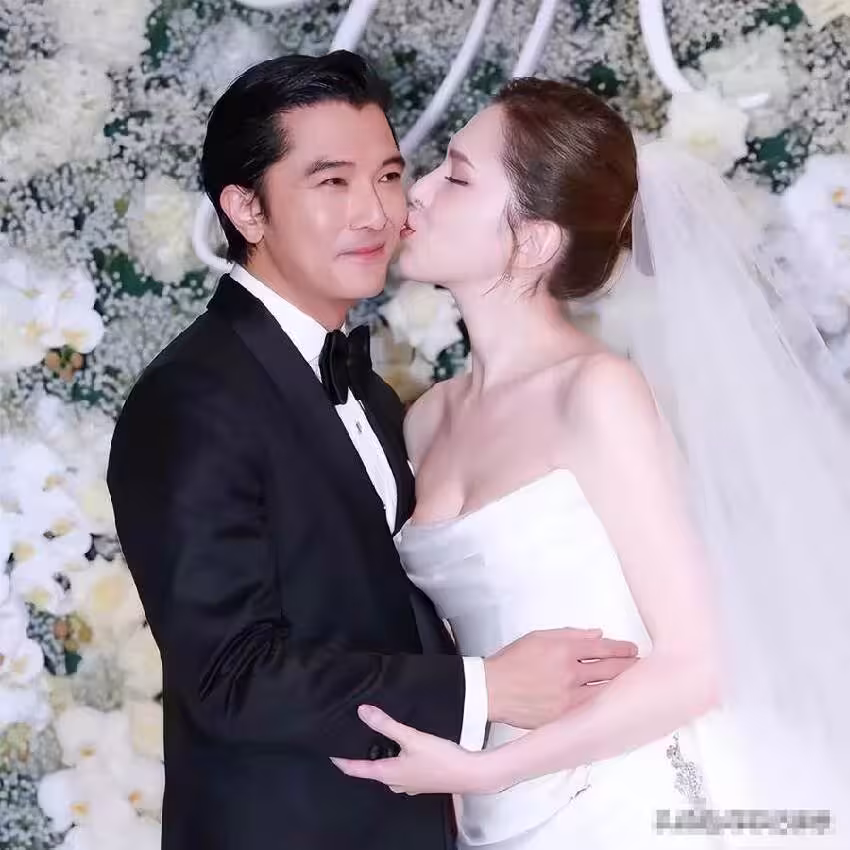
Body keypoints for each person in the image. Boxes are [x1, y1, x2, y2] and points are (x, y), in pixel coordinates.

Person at [106, 55, 639, 850]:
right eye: (332, 182)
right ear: (247, 209)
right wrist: (486, 690)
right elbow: (229, 674)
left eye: (389, 176)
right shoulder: (192, 398)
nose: (377, 212)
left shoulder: (379, 398)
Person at [331, 79, 850, 847]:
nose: (422, 190)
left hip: (631, 800)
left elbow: (696, 665)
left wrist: (490, 770)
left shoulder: (596, 394)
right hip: (490, 805)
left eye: (458, 177)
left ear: (534, 241)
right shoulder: (427, 418)